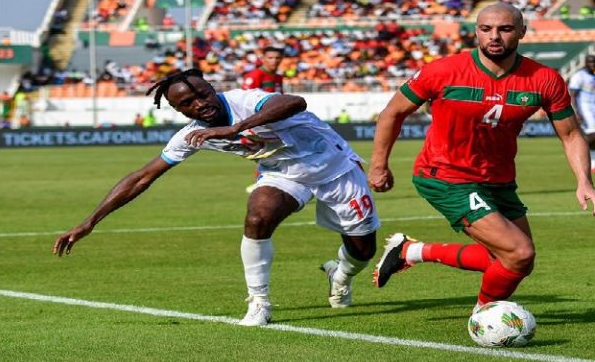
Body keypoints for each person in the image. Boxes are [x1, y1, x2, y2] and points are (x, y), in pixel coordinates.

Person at [52, 69, 380, 326]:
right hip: (282, 174)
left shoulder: (244, 99)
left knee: (363, 251)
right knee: (258, 216)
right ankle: (259, 303)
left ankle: (340, 275)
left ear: (212, 88)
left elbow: (294, 102)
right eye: (188, 103)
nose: (199, 103)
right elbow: (142, 177)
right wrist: (89, 222)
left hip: (335, 167)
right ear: (178, 110)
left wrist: (236, 129)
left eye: (203, 94)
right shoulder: (191, 135)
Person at [368, 3, 595, 311]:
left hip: (498, 179)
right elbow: (392, 113)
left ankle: (412, 251)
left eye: (505, 29)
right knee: (519, 253)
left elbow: (571, 134)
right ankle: (483, 316)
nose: (494, 36)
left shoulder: (544, 79)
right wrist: (378, 166)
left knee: (515, 262)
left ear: (522, 32)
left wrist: (584, 181)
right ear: (476, 32)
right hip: (445, 176)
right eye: (486, 29)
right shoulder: (443, 70)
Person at [242, 46, 285, 194]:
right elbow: (244, 100)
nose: (274, 61)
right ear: (263, 59)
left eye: (277, 58)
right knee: (267, 153)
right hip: (259, 123)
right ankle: (261, 183)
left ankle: (270, 182)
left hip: (275, 121)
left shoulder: (278, 77)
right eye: (270, 58)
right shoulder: (255, 75)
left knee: (275, 154)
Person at [569, 54, 595, 174]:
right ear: (585, 63)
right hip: (585, 108)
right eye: (590, 62)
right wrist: (576, 111)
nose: (592, 65)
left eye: (594, 62)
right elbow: (572, 95)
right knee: (594, 133)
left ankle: (593, 166)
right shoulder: (579, 76)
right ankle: (575, 154)